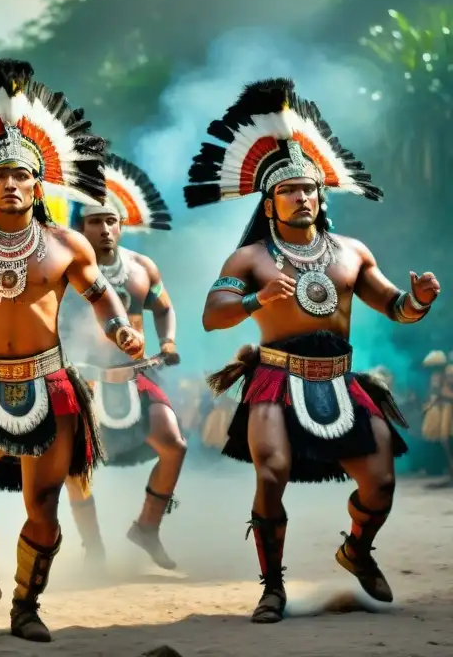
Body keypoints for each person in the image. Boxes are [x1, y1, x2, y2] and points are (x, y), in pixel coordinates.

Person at [0, 58, 144, 642]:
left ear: (39, 185)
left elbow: (102, 296)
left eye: (22, 176)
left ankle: (25, 605)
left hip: (51, 384)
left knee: (43, 507)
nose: (11, 183)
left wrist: (120, 331)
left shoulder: (66, 245)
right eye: (0, 175)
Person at [184, 78, 439, 623]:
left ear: (322, 195)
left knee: (381, 481)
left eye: (310, 188)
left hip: (342, 381)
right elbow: (211, 317)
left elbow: (394, 307)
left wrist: (417, 302)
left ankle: (356, 550)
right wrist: (255, 299)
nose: (303, 196)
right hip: (276, 379)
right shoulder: (249, 259)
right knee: (271, 473)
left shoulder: (352, 253)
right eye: (289, 190)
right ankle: (272, 588)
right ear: (270, 202)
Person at [54, 151, 186, 571]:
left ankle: (147, 527)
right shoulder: (65, 270)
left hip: (134, 375)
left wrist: (167, 342)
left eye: (111, 220)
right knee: (76, 468)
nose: (105, 229)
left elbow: (164, 308)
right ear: (81, 226)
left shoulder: (142, 267)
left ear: (122, 223)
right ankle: (93, 549)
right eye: (95, 221)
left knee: (174, 445)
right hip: (80, 378)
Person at [420, 350, 453, 481]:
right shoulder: (436, 376)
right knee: (445, 440)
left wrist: (441, 394)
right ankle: (450, 469)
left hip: (448, 409)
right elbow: (434, 395)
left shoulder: (448, 372)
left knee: (447, 440)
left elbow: (444, 393)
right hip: (443, 409)